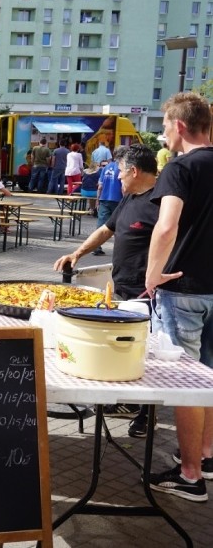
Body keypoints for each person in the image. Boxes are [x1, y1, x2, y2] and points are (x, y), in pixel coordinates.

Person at [54, 144, 159, 438]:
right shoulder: (129, 199)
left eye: (121, 173)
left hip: (148, 295)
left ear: (135, 171)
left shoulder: (162, 202)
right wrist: (77, 253)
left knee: (144, 356)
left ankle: (145, 415)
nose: (118, 179)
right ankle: (127, 403)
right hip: (123, 290)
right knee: (123, 352)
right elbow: (105, 230)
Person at [144, 92, 213, 503]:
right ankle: (205, 455)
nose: (163, 134)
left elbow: (166, 227)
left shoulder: (179, 168)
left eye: (165, 126)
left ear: (180, 126)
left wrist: (152, 275)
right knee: (211, 376)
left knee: (188, 383)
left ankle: (190, 476)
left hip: (183, 289)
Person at [92, 146, 127, 256]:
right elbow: (123, 187)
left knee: (101, 224)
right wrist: (126, 200)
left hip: (104, 198)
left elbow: (100, 186)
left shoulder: (106, 167)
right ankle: (119, 249)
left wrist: (97, 200)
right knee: (120, 225)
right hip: (118, 199)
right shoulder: (122, 167)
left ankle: (96, 247)